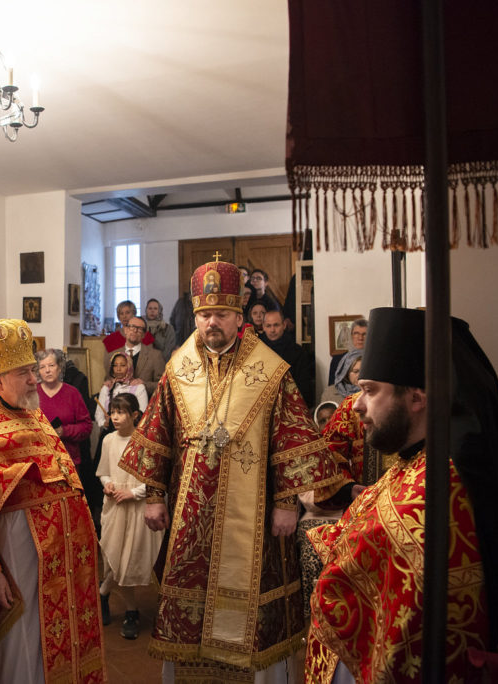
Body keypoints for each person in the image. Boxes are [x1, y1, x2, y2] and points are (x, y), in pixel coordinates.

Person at [119, 258, 346, 682]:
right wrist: (154, 496)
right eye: (205, 314)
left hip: (254, 516)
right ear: (195, 316)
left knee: (253, 607)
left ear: (239, 316)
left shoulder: (271, 370)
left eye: (221, 314)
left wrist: (286, 503)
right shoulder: (177, 369)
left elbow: (290, 439)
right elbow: (157, 434)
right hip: (189, 514)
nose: (212, 323)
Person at [305, 307, 498, 683]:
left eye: (370, 390)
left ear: (416, 398)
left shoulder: (440, 486)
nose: (357, 404)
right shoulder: (414, 460)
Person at [0, 319, 105, 683]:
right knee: (23, 642)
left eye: (33, 370)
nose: (35, 380)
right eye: (24, 373)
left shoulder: (33, 415)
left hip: (60, 559)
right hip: (17, 556)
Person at [96, 393, 162, 640]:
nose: (114, 417)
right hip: (115, 506)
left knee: (130, 560)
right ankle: (108, 597)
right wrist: (108, 484)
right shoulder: (108, 440)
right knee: (114, 557)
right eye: (112, 412)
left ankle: (125, 608)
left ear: (135, 415)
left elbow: (154, 478)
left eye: (121, 412)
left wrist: (133, 493)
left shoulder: (145, 441)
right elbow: (104, 471)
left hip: (137, 506)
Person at [36, 349, 93, 466]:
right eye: (42, 367)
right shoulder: (31, 393)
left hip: (68, 461)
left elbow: (86, 426)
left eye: (51, 365)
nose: (47, 370)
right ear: (38, 371)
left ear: (59, 367)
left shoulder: (73, 393)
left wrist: (64, 431)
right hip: (40, 461)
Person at [259, 309, 316, 406]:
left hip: (290, 403)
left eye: (276, 325)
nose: (272, 330)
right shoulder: (257, 351)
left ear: (284, 325)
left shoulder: (298, 352)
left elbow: (304, 387)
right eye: (268, 326)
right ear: (263, 327)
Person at [104, 316, 165, 397]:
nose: (135, 331)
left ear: (144, 335)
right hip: (118, 401)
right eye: (132, 327)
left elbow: (163, 384)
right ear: (125, 330)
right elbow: (108, 378)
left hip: (145, 401)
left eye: (139, 329)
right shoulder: (113, 355)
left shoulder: (155, 356)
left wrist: (144, 385)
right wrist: (108, 383)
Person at [327, 318, 367, 384]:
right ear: (351, 335)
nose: (360, 338)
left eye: (364, 334)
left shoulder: (376, 359)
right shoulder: (337, 360)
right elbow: (332, 386)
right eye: (356, 333)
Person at [145, 298, 177, 362]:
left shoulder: (168, 328)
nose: (152, 311)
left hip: (162, 362)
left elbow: (169, 349)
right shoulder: (142, 327)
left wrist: (159, 361)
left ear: (159, 311)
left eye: (155, 308)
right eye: (150, 308)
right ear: (146, 310)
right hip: (144, 363)